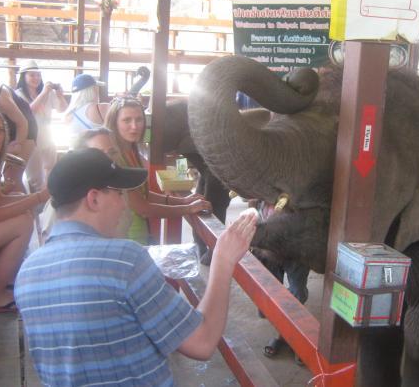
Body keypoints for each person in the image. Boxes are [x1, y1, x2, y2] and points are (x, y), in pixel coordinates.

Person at [14, 148, 257, 386]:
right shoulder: (124, 260)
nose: (124, 205)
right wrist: (223, 261)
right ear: (94, 198)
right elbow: (202, 342)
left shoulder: (26, 272)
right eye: (119, 193)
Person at [104, 96, 212, 244]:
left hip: (140, 234)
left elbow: (143, 194)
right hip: (127, 238)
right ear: (114, 123)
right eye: (127, 120)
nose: (134, 126)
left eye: (139, 119)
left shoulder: (132, 150)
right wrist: (186, 208)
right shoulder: (116, 157)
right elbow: (143, 208)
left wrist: (182, 201)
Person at [0, 107, 49, 312]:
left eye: (1, 130)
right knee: (22, 222)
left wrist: (26, 198)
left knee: (21, 205)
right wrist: (39, 197)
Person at [38, 127, 123, 243]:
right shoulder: (64, 199)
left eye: (112, 152)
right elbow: (48, 247)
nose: (109, 158)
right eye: (98, 153)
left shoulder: (119, 189)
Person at [15, 60, 68, 192]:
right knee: (35, 178)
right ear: (23, 76)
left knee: (51, 171)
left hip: (48, 137)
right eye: (32, 75)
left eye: (38, 75)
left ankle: (48, 202)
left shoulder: (48, 92)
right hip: (30, 140)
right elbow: (28, 111)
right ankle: (35, 203)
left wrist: (60, 96)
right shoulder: (19, 94)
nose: (36, 78)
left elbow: (62, 109)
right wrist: (43, 93)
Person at [0, 81, 37, 192]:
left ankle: (27, 208)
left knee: (12, 177)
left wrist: (17, 144)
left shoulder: (0, 95)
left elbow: (22, 123)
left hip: (25, 127)